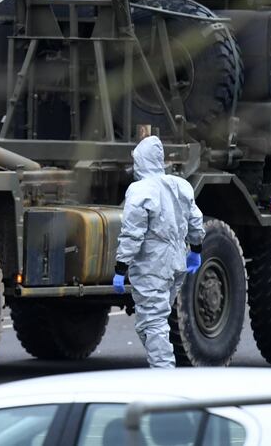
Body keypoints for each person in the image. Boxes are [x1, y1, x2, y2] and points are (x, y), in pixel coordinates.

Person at [112, 136, 205, 368]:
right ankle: (162, 368)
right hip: (176, 262)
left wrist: (121, 267)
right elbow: (196, 221)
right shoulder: (180, 185)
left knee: (152, 323)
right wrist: (196, 250)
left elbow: (133, 233)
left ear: (141, 161)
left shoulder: (140, 190)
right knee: (154, 321)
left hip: (152, 265)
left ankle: (164, 376)